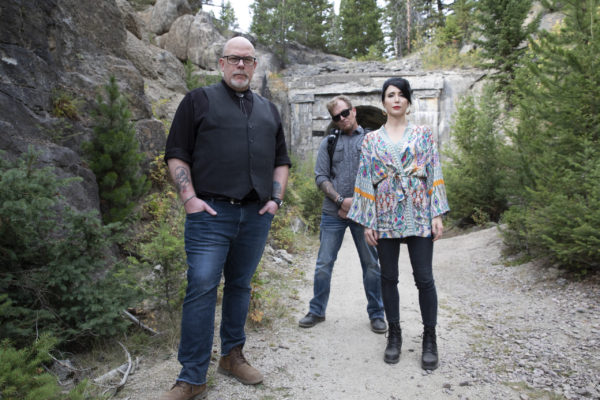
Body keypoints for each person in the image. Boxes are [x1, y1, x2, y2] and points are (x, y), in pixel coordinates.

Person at [161, 36, 291, 400]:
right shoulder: (197, 101)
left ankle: (232, 357)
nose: (240, 66)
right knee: (202, 288)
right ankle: (192, 377)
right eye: (233, 59)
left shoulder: (269, 110)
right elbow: (176, 153)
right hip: (210, 214)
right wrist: (189, 198)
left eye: (247, 60)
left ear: (254, 67)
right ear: (221, 63)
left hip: (256, 215)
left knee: (240, 285)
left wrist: (275, 200)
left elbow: (282, 161)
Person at [348, 77, 450, 370]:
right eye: (390, 95)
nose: (396, 99)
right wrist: (368, 220)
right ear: (383, 102)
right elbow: (365, 178)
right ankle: (394, 335)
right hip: (385, 212)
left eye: (401, 95)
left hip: (418, 210)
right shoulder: (371, 140)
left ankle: (429, 338)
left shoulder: (423, 134)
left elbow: (434, 170)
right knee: (388, 277)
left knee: (424, 278)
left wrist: (436, 213)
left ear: (408, 101)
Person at [298, 95, 387, 335]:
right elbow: (321, 177)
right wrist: (339, 200)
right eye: (336, 117)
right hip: (332, 213)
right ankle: (316, 310)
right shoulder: (328, 142)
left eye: (345, 113)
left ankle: (377, 314)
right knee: (324, 264)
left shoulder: (372, 140)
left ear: (354, 111)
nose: (342, 119)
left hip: (364, 213)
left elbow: (380, 175)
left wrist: (356, 203)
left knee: (371, 265)